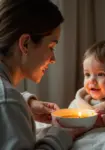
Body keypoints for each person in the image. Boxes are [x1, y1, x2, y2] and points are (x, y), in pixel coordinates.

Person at [0, 0, 88, 149]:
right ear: (25, 43)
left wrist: (26, 105)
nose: (53, 59)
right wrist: (60, 135)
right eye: (51, 46)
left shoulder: (8, 100)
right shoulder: (7, 101)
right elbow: (6, 102)